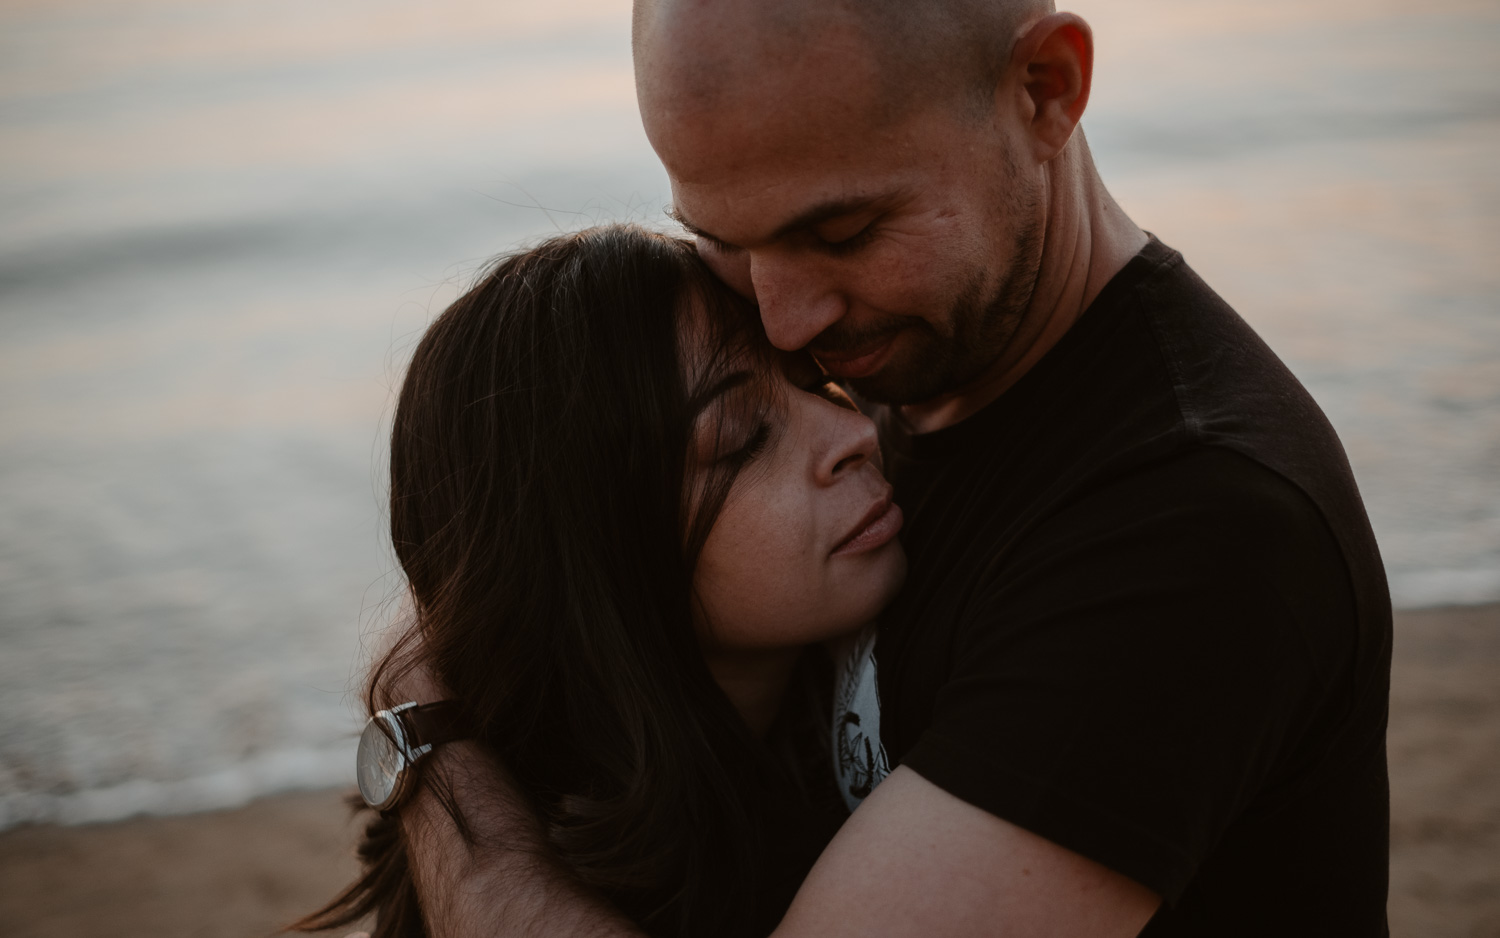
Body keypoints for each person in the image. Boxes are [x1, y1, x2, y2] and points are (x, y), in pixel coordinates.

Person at [400, 0, 1394, 934]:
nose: (788, 323)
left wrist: (428, 751)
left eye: (842, 233)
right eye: (723, 243)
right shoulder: (896, 354)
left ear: (1045, 88)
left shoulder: (1194, 521)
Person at [295, 225, 908, 937]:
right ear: (596, 557)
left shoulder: (835, 724)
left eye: (818, 384)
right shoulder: (592, 880)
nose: (854, 435)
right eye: (743, 438)